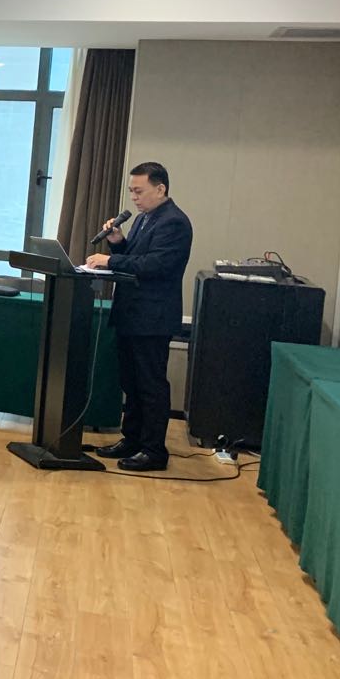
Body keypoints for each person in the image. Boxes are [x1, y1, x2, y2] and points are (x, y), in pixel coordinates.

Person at [85, 161, 194, 472]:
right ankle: (131, 439)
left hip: (152, 317)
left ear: (160, 189)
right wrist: (118, 242)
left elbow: (154, 266)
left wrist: (109, 260)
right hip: (132, 314)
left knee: (150, 384)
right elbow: (135, 257)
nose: (133, 197)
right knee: (130, 382)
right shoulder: (146, 218)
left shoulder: (174, 222)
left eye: (139, 191)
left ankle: (153, 450)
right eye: (131, 191)